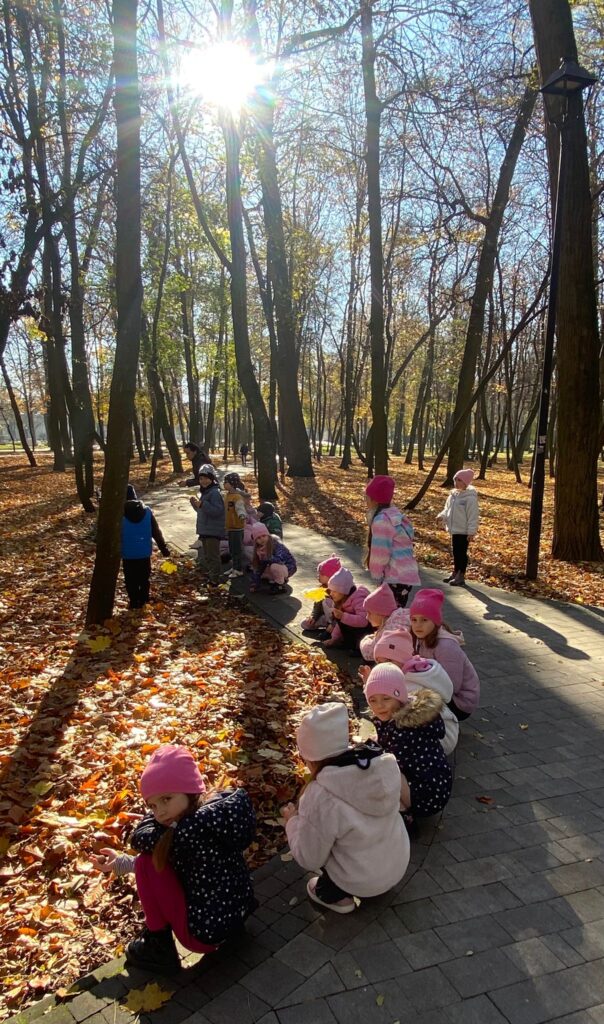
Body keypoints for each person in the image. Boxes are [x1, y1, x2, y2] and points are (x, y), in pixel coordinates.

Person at [90, 745, 257, 973]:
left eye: (166, 799)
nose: (159, 813)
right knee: (151, 858)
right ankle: (232, 935)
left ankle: (158, 946)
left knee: (145, 862)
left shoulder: (187, 832)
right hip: (236, 915)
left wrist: (127, 862)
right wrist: (118, 864)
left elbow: (147, 850)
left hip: (205, 934)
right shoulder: (216, 815)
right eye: (153, 805)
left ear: (189, 791)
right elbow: (171, 859)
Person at [282, 703, 409, 913]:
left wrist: (292, 822)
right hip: (397, 866)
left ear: (309, 757)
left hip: (360, 880)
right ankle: (374, 881)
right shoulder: (379, 764)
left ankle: (337, 896)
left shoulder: (321, 796)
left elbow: (309, 857)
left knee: (318, 857)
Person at [364, 664, 453, 832]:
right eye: (372, 700)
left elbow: (391, 762)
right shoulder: (398, 713)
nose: (379, 706)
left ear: (400, 697)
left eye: (386, 699)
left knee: (381, 772)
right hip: (432, 783)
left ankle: (405, 817)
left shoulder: (405, 729)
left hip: (428, 792)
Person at [409, 588, 480, 720]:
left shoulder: (446, 646)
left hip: (460, 702)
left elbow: (452, 686)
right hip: (437, 688)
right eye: (414, 619)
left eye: (424, 620)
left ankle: (443, 728)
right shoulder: (421, 637)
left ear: (435, 622)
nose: (418, 625)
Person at [365, 475, 420, 608]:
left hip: (395, 576)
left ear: (374, 499)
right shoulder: (395, 516)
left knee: (388, 614)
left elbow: (380, 553)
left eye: (366, 497)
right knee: (394, 612)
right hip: (405, 574)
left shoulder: (381, 521)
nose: (365, 500)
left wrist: (377, 576)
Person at [121, 484, 170, 610]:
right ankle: (144, 600)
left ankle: (133, 601)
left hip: (127, 552)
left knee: (130, 579)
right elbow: (156, 532)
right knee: (144, 578)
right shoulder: (147, 511)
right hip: (144, 551)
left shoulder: (119, 513)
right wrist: (163, 549)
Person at [436, 468, 479, 586]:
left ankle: (461, 574)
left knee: (461, 552)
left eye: (459, 480)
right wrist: (441, 516)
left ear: (466, 482)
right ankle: (455, 572)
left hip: (464, 531)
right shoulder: (453, 496)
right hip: (454, 529)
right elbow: (447, 509)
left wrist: (471, 532)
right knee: (455, 552)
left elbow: (473, 516)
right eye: (455, 479)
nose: (456, 482)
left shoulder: (470, 498)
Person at [190, 464, 225, 586]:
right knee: (207, 556)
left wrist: (202, 505)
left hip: (213, 530)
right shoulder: (205, 492)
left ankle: (215, 579)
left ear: (212, 479)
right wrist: (195, 505)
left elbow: (217, 511)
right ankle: (211, 575)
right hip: (205, 529)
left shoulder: (214, 493)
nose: (203, 481)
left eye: (206, 478)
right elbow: (203, 512)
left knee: (213, 555)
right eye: (201, 479)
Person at [322, 567, 370, 656]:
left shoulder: (358, 598)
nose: (331, 594)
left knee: (344, 618)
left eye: (335, 591)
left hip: (368, 630)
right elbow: (340, 623)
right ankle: (348, 643)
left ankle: (359, 648)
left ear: (343, 591)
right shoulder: (342, 599)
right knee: (341, 618)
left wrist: (343, 616)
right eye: (331, 591)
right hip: (355, 628)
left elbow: (364, 621)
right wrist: (334, 638)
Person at [359, 582, 411, 662]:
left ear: (380, 613)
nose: (367, 617)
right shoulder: (398, 617)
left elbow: (370, 653)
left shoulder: (390, 629)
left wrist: (364, 640)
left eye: (369, 613)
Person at [249, 522, 297, 594]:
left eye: (264, 536)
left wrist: (266, 556)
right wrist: (255, 583)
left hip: (287, 566)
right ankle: (273, 579)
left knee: (274, 567)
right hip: (274, 564)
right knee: (261, 570)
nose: (262, 539)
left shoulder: (276, 544)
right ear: (255, 540)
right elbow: (258, 567)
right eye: (258, 538)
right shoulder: (259, 549)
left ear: (268, 535)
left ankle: (280, 585)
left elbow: (280, 561)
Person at [300, 554, 341, 632]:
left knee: (328, 602)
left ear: (331, 577)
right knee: (305, 624)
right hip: (326, 617)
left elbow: (341, 611)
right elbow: (317, 606)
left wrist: (334, 624)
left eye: (321, 574)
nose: (318, 576)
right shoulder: (322, 589)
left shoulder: (339, 591)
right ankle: (326, 623)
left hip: (338, 620)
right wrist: (313, 617)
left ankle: (333, 627)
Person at [223, 472, 247, 578]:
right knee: (232, 549)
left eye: (226, 482)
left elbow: (240, 508)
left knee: (237, 549)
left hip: (237, 527)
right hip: (230, 527)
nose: (224, 484)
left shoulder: (237, 497)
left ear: (232, 483)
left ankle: (239, 569)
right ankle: (234, 567)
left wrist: (241, 515)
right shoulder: (228, 495)